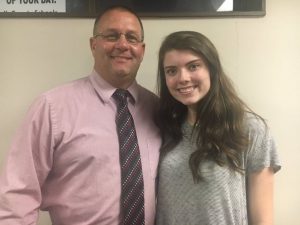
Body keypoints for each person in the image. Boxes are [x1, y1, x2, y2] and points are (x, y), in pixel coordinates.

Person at [0, 6, 161, 225]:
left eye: (131, 38)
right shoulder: (52, 108)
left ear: (141, 50)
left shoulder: (158, 110)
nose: (122, 45)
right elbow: (18, 194)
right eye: (112, 36)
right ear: (93, 45)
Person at [155, 31, 280, 225]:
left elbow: (263, 219)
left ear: (212, 69)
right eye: (172, 71)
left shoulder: (249, 130)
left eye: (193, 66)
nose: (183, 78)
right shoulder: (164, 129)